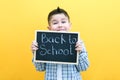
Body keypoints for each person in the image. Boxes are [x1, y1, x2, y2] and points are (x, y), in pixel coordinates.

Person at [31, 7, 89, 80]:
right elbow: (40, 68)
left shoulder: (78, 43)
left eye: (63, 22)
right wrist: (36, 52)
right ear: (49, 28)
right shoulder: (44, 44)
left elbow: (83, 67)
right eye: (55, 23)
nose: (60, 25)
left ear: (70, 25)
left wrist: (79, 53)